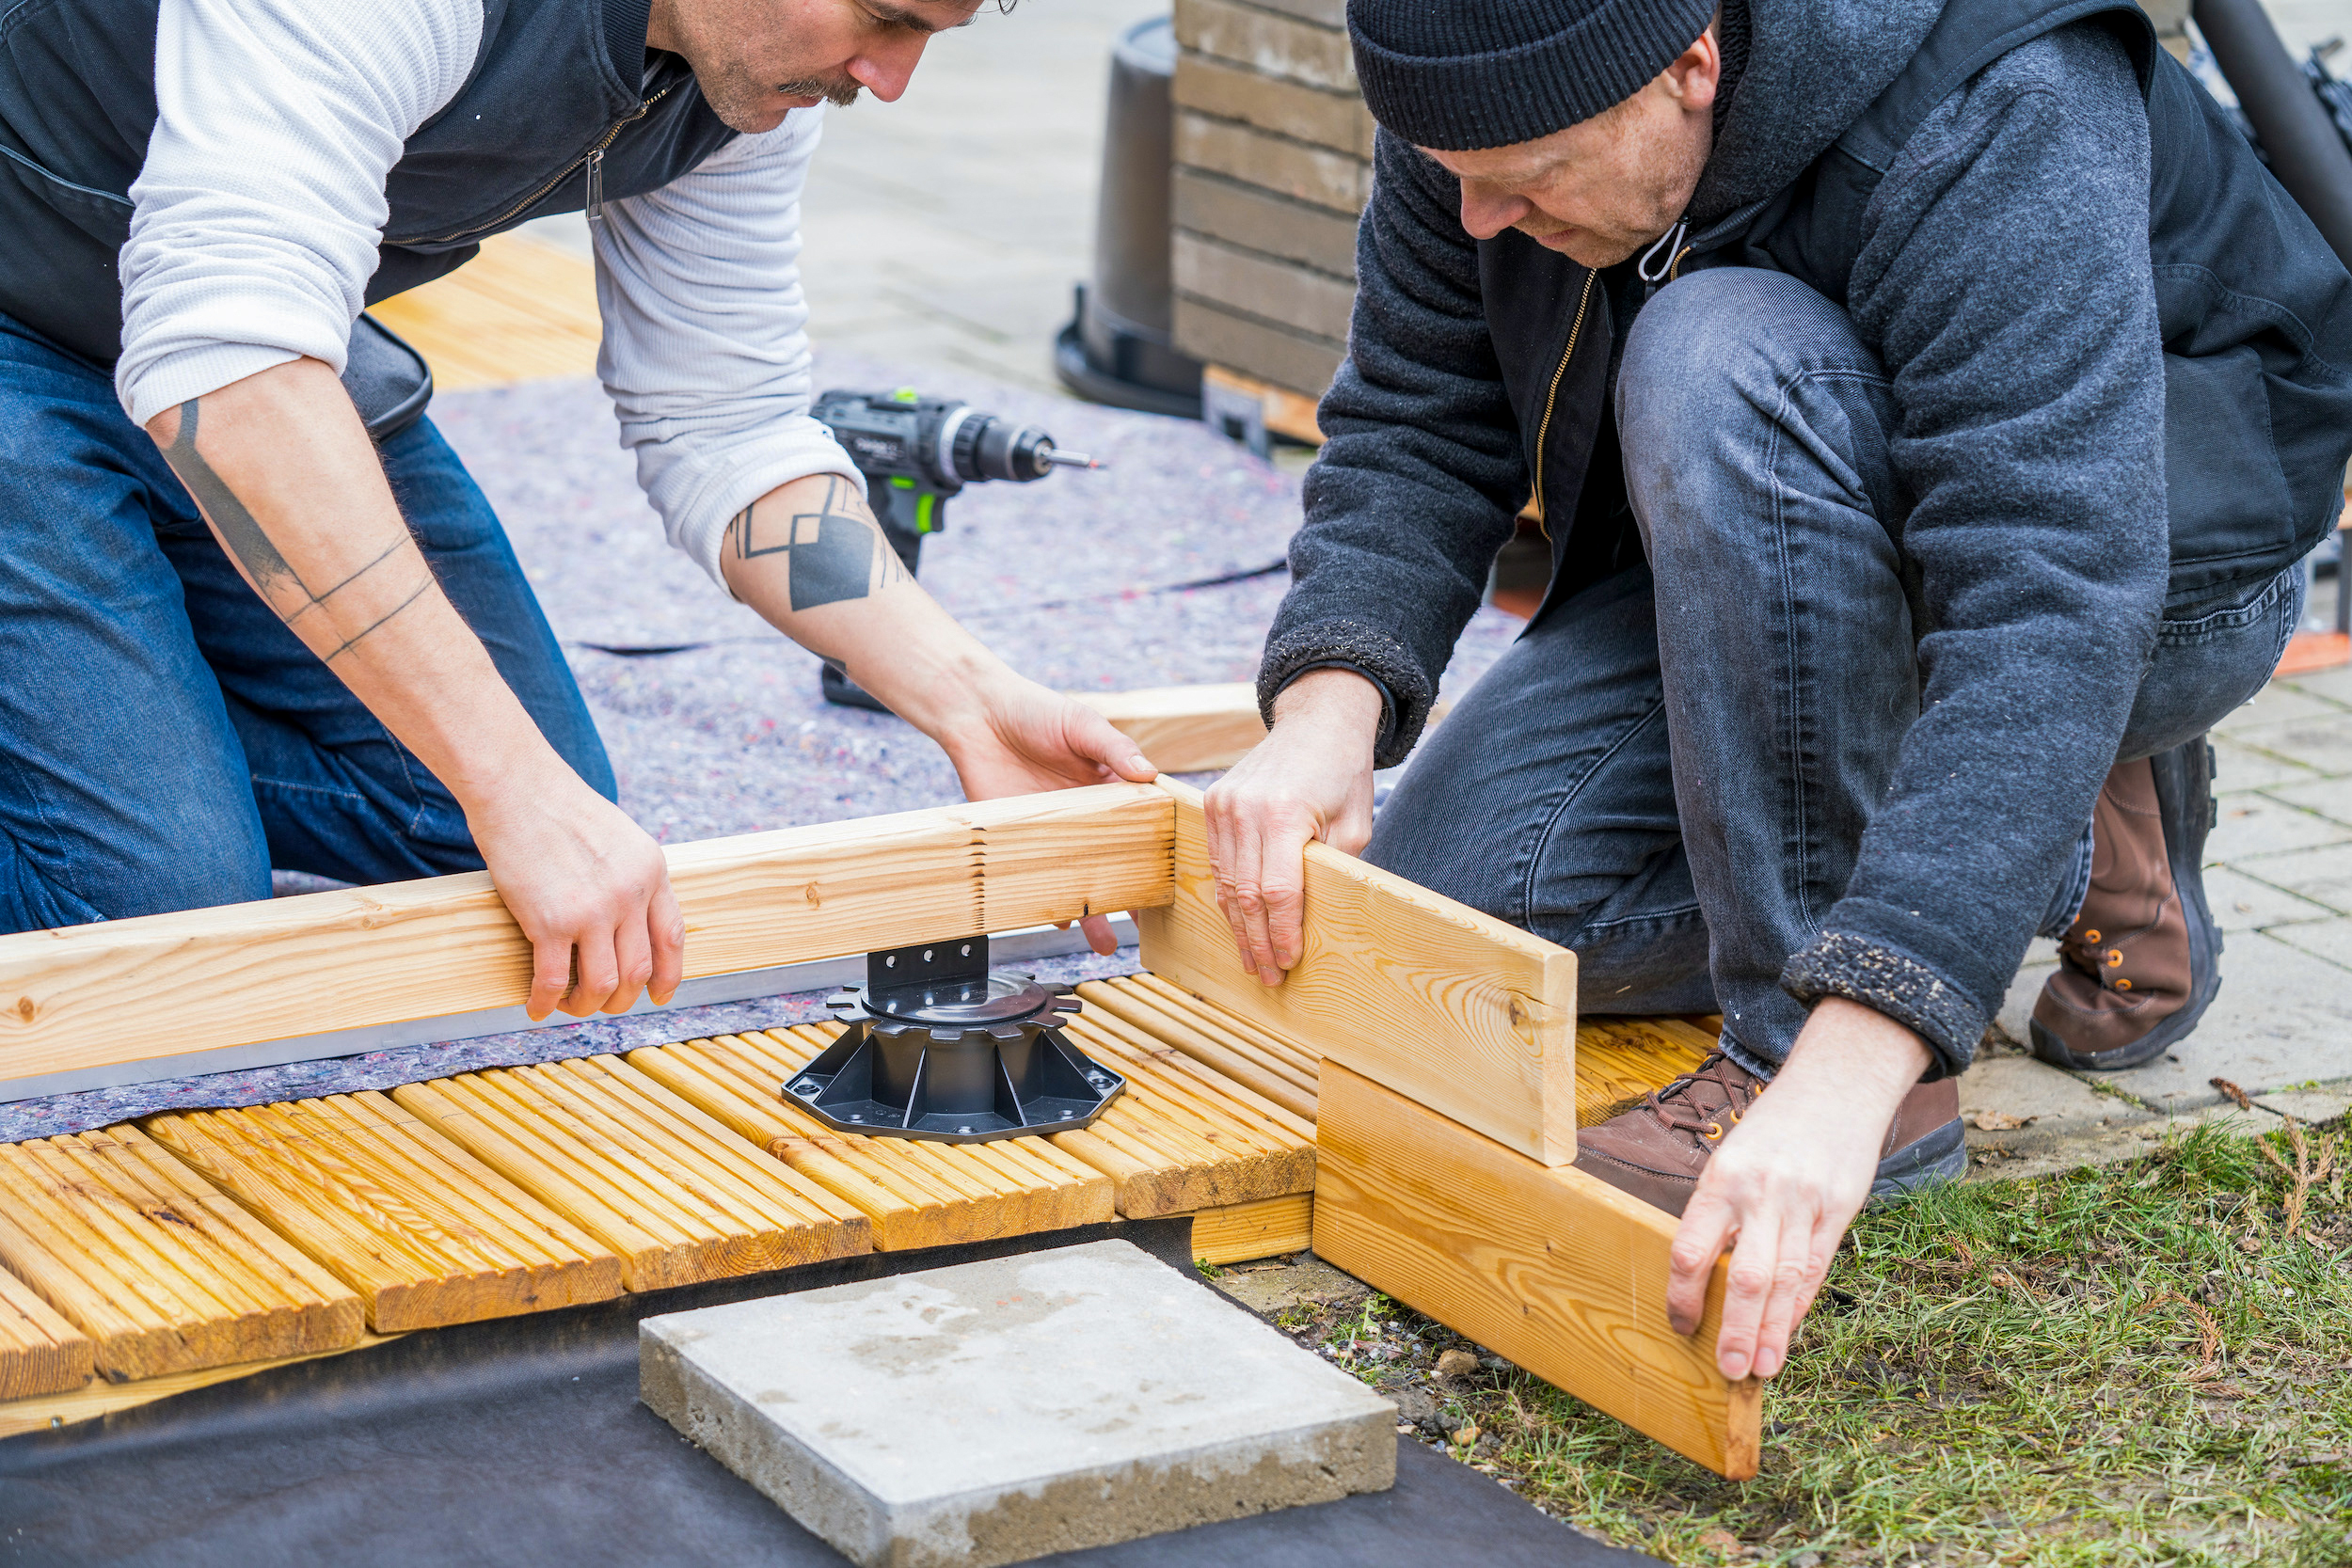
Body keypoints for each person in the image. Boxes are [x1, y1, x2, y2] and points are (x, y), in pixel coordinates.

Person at [1206, 0, 2351, 1383]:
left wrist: (1857, 1040)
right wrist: (1328, 708)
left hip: (2143, 576)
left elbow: (2048, 590)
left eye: (1526, 178)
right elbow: (1416, 410)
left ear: (1690, 65)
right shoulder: (1480, 75)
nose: (1480, 219)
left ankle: (1816, 1030)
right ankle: (2043, 832)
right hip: (1793, 543)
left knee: (1714, 348)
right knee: (1458, 909)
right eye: (1457, 175)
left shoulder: (2003, 99)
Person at [0, 0, 1153, 1019]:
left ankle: (111, 693)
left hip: (222, 337)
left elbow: (726, 424)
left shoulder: (746, 77)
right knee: (146, 907)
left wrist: (966, 698)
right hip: (68, 329)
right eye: (883, 15)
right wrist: (510, 781)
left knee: (481, 825)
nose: (889, 78)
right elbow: (234, 381)